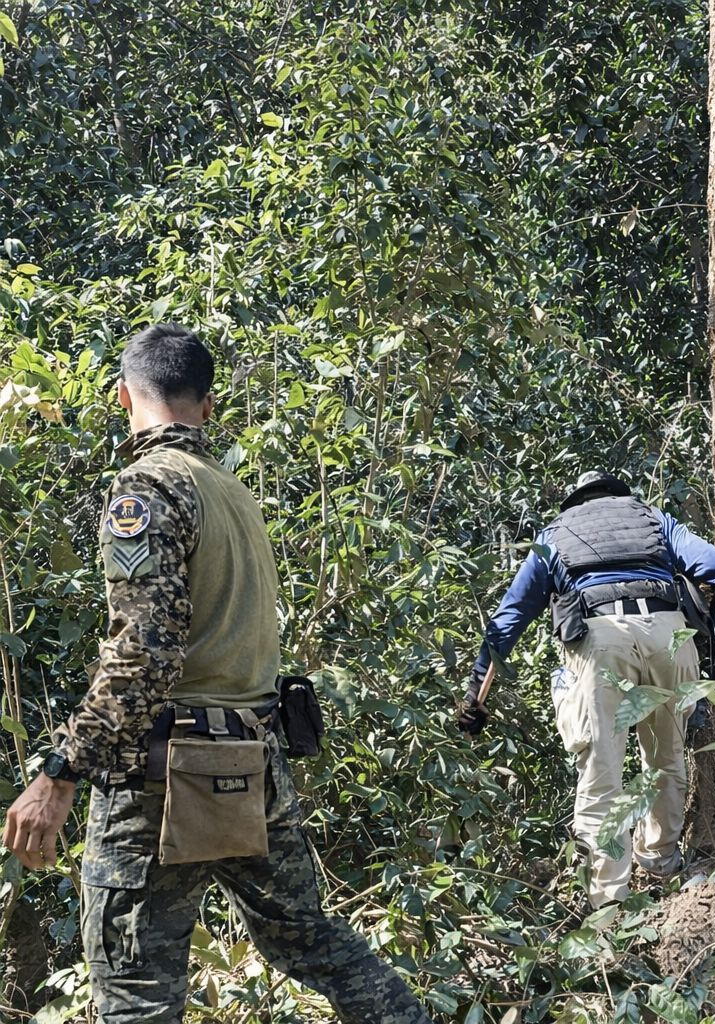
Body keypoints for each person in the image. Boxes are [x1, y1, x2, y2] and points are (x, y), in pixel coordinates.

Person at [1, 325, 430, 1024]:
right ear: (206, 406)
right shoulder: (231, 492)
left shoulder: (145, 490)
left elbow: (145, 654)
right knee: (312, 942)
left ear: (122, 396)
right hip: (253, 759)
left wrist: (59, 772)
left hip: (162, 775)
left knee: (135, 991)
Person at [460, 470, 715, 907]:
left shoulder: (554, 535)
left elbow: (509, 619)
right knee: (667, 759)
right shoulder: (653, 518)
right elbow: (714, 566)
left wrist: (475, 695)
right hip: (668, 637)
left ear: (575, 502)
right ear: (618, 496)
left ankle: (609, 901)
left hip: (600, 639)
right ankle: (659, 862)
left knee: (602, 773)